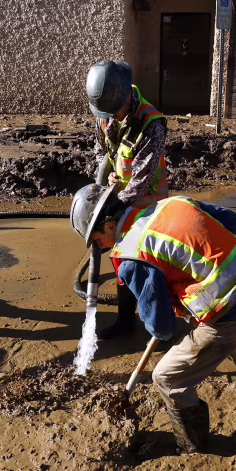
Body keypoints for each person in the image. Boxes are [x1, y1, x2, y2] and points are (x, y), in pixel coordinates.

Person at [70, 184, 236, 454]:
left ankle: (191, 443)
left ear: (110, 225)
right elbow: (230, 220)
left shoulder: (132, 255)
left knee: (168, 377)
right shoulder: (172, 204)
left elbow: (162, 328)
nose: (98, 247)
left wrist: (177, 292)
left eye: (96, 238)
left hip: (231, 310)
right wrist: (197, 265)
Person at [85, 59, 169, 339]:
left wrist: (113, 205)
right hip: (119, 194)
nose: (108, 118)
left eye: (112, 112)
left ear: (126, 97)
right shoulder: (105, 112)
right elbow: (103, 153)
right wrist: (104, 180)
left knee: (145, 264)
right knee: (120, 259)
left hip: (147, 203)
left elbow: (142, 178)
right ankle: (125, 321)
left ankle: (160, 326)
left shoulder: (151, 124)